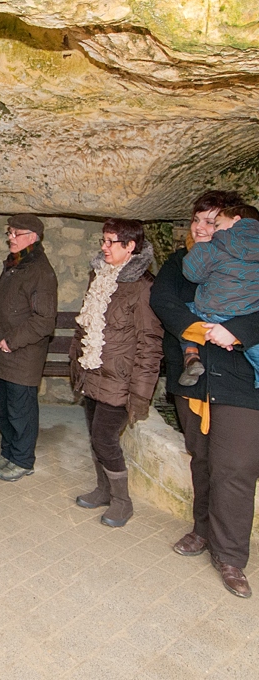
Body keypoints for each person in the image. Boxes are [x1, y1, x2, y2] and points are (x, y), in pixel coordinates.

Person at [151, 190, 259, 599]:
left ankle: (230, 556)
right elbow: (164, 300)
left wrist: (239, 331)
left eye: (211, 222)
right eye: (197, 220)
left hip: (239, 380)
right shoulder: (182, 263)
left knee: (236, 468)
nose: (201, 228)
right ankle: (201, 530)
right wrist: (199, 331)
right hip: (193, 376)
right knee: (202, 459)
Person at [70, 219, 163, 528]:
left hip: (119, 379)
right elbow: (84, 326)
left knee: (104, 438)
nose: (103, 247)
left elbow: (150, 344)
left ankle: (123, 502)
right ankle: (104, 489)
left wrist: (140, 394)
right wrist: (76, 361)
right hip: (92, 372)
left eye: (111, 242)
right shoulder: (98, 277)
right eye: (103, 240)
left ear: (130, 247)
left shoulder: (145, 288)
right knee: (96, 437)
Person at [0, 214, 58, 481]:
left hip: (22, 355)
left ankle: (23, 459)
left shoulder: (40, 271)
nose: (11, 238)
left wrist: (12, 341)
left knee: (20, 410)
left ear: (33, 237)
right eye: (10, 233)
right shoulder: (16, 264)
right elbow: (11, 300)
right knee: (3, 406)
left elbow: (44, 320)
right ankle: (8, 452)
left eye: (17, 233)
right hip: (4, 355)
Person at [179, 204, 259, 387]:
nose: (213, 230)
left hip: (213, 310)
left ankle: (191, 354)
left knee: (185, 315)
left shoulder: (219, 242)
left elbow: (193, 273)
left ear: (236, 220)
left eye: (216, 224)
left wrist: (201, 251)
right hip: (248, 314)